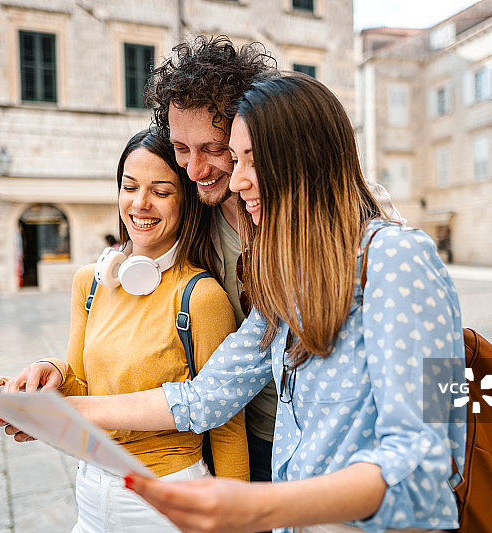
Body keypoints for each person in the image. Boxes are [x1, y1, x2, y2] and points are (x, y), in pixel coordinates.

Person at [0, 74, 466, 532]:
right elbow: (203, 397)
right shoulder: (289, 279)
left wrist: (263, 506)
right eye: (235, 159)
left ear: (306, 161)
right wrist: (58, 413)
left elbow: (426, 464)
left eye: (250, 160)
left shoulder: (399, 259)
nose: (237, 181)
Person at [147, 35, 404, 484]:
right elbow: (208, 385)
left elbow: (426, 387)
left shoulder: (369, 229)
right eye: (180, 149)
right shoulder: (191, 214)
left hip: (344, 451)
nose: (194, 169)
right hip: (244, 435)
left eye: (213, 148)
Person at [0, 130, 249, 533]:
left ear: (185, 201)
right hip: (91, 494)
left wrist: (237, 523)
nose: (140, 203)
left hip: (168, 500)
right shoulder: (89, 284)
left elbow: (228, 424)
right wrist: (48, 374)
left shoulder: (201, 296)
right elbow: (81, 386)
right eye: (129, 187)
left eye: (161, 192)